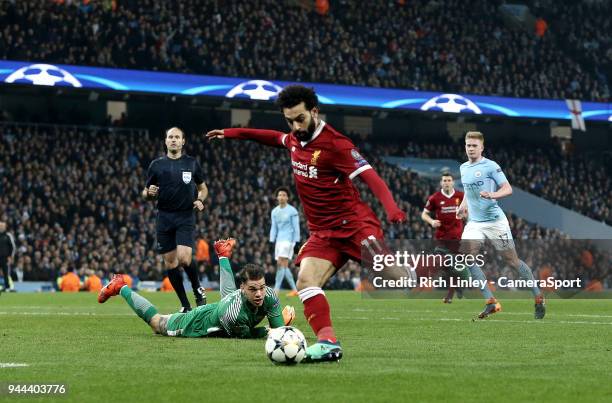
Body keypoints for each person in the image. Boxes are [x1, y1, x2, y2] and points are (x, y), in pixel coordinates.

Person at [206, 85, 407, 362]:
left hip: (355, 225)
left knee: (396, 278)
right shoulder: (293, 140)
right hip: (324, 233)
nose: (295, 126)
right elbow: (268, 137)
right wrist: (230, 133)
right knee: (305, 280)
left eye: (300, 119)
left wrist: (392, 208)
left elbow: (371, 176)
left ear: (314, 111)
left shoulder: (336, 144)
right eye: (289, 120)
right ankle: (328, 342)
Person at [98, 238, 295, 338]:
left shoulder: (269, 295)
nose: (260, 293)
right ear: (242, 288)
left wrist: (279, 327)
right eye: (253, 289)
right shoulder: (233, 315)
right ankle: (121, 286)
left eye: (262, 287)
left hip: (226, 306)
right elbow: (251, 335)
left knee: (228, 298)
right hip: (201, 321)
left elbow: (279, 331)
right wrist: (271, 330)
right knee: (158, 324)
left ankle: (223, 253)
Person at [457, 131, 545, 319]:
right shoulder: (463, 168)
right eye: (468, 145)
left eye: (474, 145)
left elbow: (508, 189)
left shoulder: (490, 166)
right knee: (466, 258)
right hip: (474, 222)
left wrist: (492, 195)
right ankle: (491, 302)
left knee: (512, 261)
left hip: (495, 221)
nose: (470, 148)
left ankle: (538, 296)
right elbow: (467, 190)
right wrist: (462, 206)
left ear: (482, 147)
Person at [143, 127, 209, 312]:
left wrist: (200, 199)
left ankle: (198, 289)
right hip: (164, 217)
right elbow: (146, 191)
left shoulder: (192, 163)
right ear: (165, 141)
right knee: (170, 263)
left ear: (183, 141)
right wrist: (149, 193)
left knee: (184, 259)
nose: (173, 140)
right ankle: (185, 305)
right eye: (170, 137)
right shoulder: (156, 165)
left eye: (177, 137)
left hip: (185, 216)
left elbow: (203, 188)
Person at [421, 173, 470, 303]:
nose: (447, 182)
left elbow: (468, 212)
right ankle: (456, 289)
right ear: (441, 183)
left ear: (453, 182)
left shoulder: (461, 196)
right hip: (441, 239)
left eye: (449, 180)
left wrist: (466, 216)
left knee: (455, 268)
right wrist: (431, 222)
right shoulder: (435, 198)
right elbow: (424, 214)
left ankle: (450, 295)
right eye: (444, 180)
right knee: (442, 264)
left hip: (457, 239)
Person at [269, 186, 300, 296]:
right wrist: (271, 240)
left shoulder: (292, 211)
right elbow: (274, 227)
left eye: (284, 195)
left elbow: (296, 227)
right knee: (282, 265)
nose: (281, 197)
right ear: (277, 197)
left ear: (287, 198)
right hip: (279, 240)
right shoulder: (274, 212)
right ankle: (295, 289)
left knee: (282, 263)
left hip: (288, 240)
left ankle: (276, 290)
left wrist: (297, 241)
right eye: (280, 195)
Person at [0, 220, 16, 292]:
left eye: (2, 226)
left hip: (5, 258)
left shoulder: (8, 235)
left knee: (6, 273)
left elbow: (13, 247)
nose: (1, 227)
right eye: (0, 226)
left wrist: (10, 257)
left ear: (5, 227)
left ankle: (7, 287)